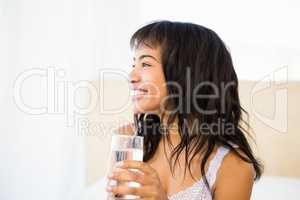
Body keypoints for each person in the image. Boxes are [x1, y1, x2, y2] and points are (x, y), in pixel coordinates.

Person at [106, 20, 263, 200]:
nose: (131, 76)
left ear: (188, 75)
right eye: (134, 64)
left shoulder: (232, 165)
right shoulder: (127, 141)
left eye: (146, 64)